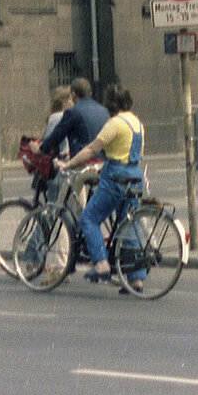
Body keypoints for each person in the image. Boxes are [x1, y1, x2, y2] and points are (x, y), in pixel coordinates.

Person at [57, 86, 145, 287]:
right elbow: (138, 152)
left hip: (115, 176)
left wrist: (70, 164)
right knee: (128, 226)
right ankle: (136, 279)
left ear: (111, 104)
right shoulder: (137, 123)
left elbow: (92, 148)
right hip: (134, 175)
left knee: (89, 219)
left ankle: (101, 263)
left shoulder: (115, 123)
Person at [29, 77, 108, 208]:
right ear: (91, 93)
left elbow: (57, 135)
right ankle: (83, 218)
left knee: (69, 204)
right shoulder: (103, 110)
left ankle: (78, 221)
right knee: (81, 200)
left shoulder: (73, 112)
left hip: (84, 165)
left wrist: (40, 149)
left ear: (73, 94)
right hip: (104, 164)